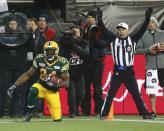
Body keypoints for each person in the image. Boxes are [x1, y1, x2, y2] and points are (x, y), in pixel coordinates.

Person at [97, 7, 154, 119]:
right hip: (118, 71)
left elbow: (142, 29)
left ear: (127, 30)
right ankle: (103, 115)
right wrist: (99, 19)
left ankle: (145, 114)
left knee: (136, 95)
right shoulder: (113, 39)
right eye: (119, 29)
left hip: (129, 72)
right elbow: (103, 29)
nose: (121, 30)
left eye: (123, 29)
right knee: (110, 95)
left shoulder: (133, 39)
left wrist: (147, 18)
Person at [7, 41, 69, 122]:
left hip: (52, 90)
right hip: (41, 85)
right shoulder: (39, 58)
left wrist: (55, 85)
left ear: (56, 51)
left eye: (52, 51)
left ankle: (56, 116)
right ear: (44, 51)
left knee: (57, 119)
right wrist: (14, 85)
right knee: (33, 89)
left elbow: (66, 82)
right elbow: (27, 75)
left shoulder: (62, 62)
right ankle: (29, 112)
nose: (49, 53)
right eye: (47, 51)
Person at [136, 16, 164, 118]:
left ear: (156, 23)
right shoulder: (143, 35)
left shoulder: (162, 33)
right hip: (151, 67)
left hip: (163, 65)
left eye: (152, 22)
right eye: (149, 22)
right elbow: (137, 50)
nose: (150, 24)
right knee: (152, 91)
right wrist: (148, 50)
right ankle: (153, 111)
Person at [0, 18, 27, 118]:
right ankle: (0, 112)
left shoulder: (23, 37)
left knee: (18, 90)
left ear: (17, 25)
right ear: (8, 25)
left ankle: (15, 112)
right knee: (3, 90)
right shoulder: (2, 36)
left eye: (14, 24)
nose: (12, 25)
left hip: (19, 66)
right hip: (5, 66)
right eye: (11, 24)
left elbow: (30, 48)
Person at [60, 25, 89, 117]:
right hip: (68, 73)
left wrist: (74, 46)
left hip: (80, 73)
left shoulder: (84, 43)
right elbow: (61, 55)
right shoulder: (65, 43)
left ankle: (75, 108)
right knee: (71, 94)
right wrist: (67, 43)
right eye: (73, 32)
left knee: (81, 94)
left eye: (77, 32)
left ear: (80, 33)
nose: (75, 34)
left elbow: (86, 54)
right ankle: (72, 111)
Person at [81, 10, 106, 116]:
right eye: (88, 17)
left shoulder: (100, 29)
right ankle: (86, 110)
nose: (89, 19)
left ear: (95, 19)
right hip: (86, 61)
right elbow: (81, 44)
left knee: (97, 87)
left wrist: (94, 37)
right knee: (85, 87)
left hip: (97, 62)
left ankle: (98, 110)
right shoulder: (84, 29)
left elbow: (104, 44)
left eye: (92, 17)